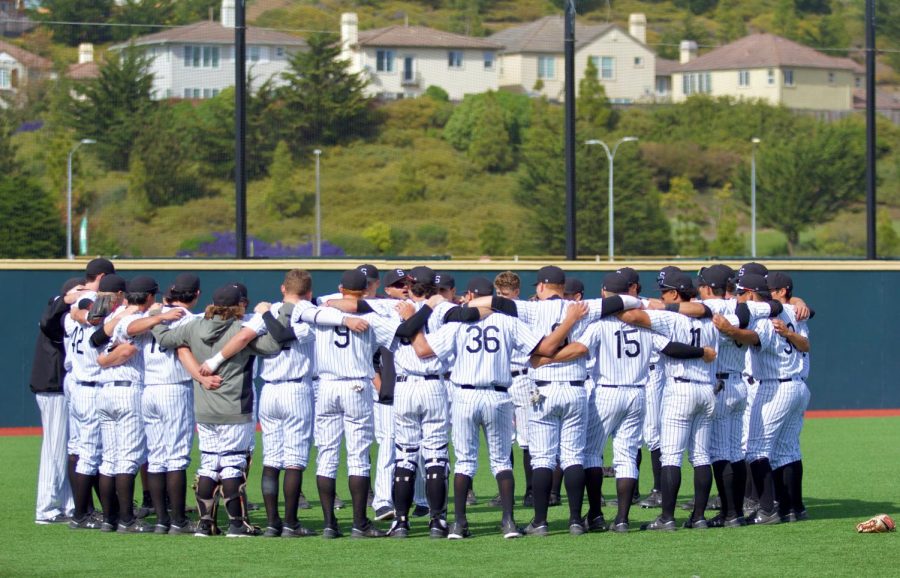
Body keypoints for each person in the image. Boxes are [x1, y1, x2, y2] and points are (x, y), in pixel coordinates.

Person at [536, 272, 715, 533]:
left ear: (607, 295)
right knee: (627, 456)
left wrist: (547, 359)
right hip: (637, 394)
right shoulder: (646, 325)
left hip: (607, 392)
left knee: (590, 454)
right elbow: (671, 348)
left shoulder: (601, 323)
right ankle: (621, 519)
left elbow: (578, 349)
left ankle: (596, 514)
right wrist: (702, 352)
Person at [412, 276, 570, 539]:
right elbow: (543, 347)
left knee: (465, 461)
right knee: (500, 461)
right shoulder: (509, 321)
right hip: (498, 395)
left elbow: (424, 350)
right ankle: (508, 522)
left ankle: (459, 524)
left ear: (472, 297)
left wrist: (412, 323)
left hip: (464, 395)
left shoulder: (458, 322)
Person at [153, 284, 283, 537]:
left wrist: (155, 318)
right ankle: (236, 524)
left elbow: (165, 338)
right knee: (233, 465)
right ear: (238, 306)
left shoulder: (193, 326)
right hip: (235, 407)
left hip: (204, 407)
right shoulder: (239, 330)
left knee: (209, 464)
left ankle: (205, 524)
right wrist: (266, 316)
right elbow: (273, 346)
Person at [618, 270, 720, 531]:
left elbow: (631, 316)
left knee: (671, 456)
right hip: (707, 390)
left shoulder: (668, 317)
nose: (662, 295)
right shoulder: (709, 318)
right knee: (701, 456)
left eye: (665, 291)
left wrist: (639, 303)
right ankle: (698, 517)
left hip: (681, 388)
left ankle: (667, 517)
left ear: (674, 294)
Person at [713, 273, 810, 525]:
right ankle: (792, 508)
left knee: (756, 450)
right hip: (797, 386)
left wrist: (730, 330)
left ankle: (767, 510)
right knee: (787, 451)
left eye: (743, 292)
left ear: (753, 294)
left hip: (774, 387)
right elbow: (806, 345)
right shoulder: (792, 312)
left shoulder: (764, 318)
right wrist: (789, 334)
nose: (740, 297)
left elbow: (753, 338)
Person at [123, 273, 201, 534]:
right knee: (176, 457)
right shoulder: (188, 318)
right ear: (197, 295)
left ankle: (161, 520)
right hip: (174, 388)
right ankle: (177, 520)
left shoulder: (149, 316)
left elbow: (128, 327)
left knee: (156, 458)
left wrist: (155, 316)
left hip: (149, 391)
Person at [31, 276, 87, 525]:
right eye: (78, 289)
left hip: (61, 386)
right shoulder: (57, 305)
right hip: (52, 387)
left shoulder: (70, 313)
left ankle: (66, 505)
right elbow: (48, 318)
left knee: (66, 448)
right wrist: (67, 298)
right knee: (54, 448)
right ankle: (46, 508)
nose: (82, 293)